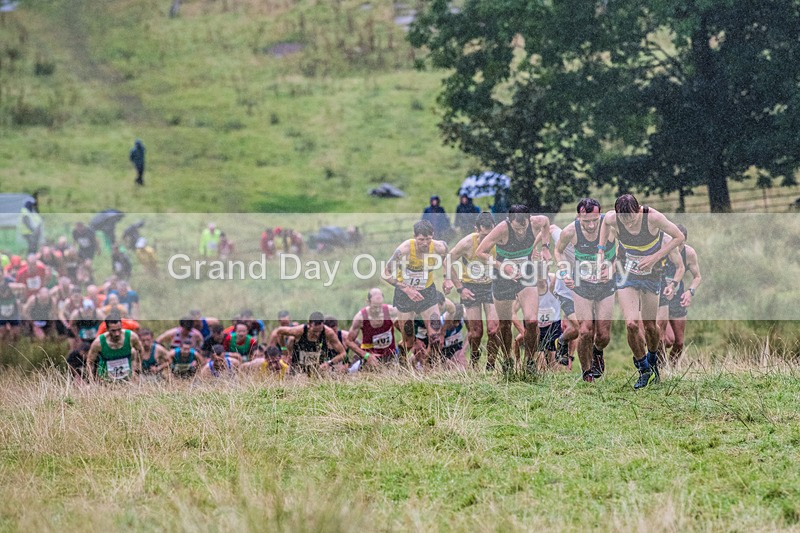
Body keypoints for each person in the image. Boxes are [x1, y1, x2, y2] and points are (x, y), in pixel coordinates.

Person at [598, 194, 685, 390]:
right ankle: (643, 368)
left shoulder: (653, 218)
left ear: (638, 210)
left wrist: (655, 257)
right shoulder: (613, 218)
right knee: (631, 324)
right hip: (626, 272)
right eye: (623, 219)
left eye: (631, 218)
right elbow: (604, 224)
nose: (627, 223)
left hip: (651, 275)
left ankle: (653, 358)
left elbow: (679, 237)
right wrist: (600, 250)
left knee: (650, 326)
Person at [475, 205, 551, 371]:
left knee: (531, 321)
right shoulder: (502, 228)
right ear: (510, 222)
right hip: (503, 278)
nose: (521, 232)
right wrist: (502, 266)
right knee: (504, 324)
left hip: (525, 275)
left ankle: (530, 362)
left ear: (529, 221)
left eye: (524, 227)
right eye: (517, 228)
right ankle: (508, 359)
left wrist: (545, 247)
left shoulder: (536, 222)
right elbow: (480, 252)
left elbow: (546, 223)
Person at [555, 199, 617, 382]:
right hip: (582, 285)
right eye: (585, 221)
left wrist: (612, 269)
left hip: (605, 285)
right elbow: (558, 252)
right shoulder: (570, 231)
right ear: (578, 217)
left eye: (594, 220)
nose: (590, 225)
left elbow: (624, 250)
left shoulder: (611, 227)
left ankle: (597, 352)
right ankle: (586, 373)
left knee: (603, 336)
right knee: (584, 331)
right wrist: (565, 272)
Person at [382, 219, 452, 366]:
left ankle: (428, 368)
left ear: (433, 236)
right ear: (414, 237)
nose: (425, 243)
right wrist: (407, 289)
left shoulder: (439, 247)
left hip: (427, 293)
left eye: (428, 239)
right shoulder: (404, 249)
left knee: (435, 337)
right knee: (408, 341)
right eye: (421, 240)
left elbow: (447, 259)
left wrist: (447, 278)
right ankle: (402, 361)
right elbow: (385, 273)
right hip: (404, 295)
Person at [446, 212, 500, 370]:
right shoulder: (467, 242)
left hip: (491, 285)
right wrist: (460, 288)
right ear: (477, 229)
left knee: (493, 330)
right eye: (483, 235)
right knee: (476, 333)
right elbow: (447, 261)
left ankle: (491, 364)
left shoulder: (499, 239)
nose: (487, 239)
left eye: (490, 234)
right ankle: (474, 362)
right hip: (471, 287)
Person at [657, 224, 702, 365]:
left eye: (680, 244)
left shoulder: (689, 253)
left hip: (677, 298)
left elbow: (697, 277)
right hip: (660, 298)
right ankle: (659, 366)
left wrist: (690, 292)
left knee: (679, 342)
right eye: (674, 243)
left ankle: (672, 369)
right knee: (666, 339)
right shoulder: (660, 250)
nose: (676, 247)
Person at [268, 311, 346, 375]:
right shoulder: (299, 330)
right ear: (309, 325)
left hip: (318, 368)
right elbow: (279, 331)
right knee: (291, 339)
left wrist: (329, 363)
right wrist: (284, 351)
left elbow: (343, 353)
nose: (317, 334)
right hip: (298, 366)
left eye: (320, 331)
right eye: (315, 331)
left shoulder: (328, 332)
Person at [346, 288, 401, 368]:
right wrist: (366, 355)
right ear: (368, 302)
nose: (378, 310)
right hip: (370, 359)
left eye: (380, 306)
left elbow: (409, 315)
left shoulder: (391, 311)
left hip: (390, 356)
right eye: (375, 306)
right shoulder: (360, 317)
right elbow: (349, 341)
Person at [85, 313, 144, 383]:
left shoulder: (131, 337)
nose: (117, 333)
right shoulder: (98, 343)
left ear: (122, 326)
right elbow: (90, 362)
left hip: (128, 379)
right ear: (107, 329)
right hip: (106, 381)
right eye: (113, 331)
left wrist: (138, 367)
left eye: (119, 329)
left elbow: (140, 350)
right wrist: (91, 380)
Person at [0, 278, 21, 343]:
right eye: (1, 291)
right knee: (2, 332)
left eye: (5, 291)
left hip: (13, 315)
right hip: (2, 316)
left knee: (16, 332)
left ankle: (15, 345)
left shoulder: (14, 296)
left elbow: (21, 287)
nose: (4, 294)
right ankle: (4, 345)